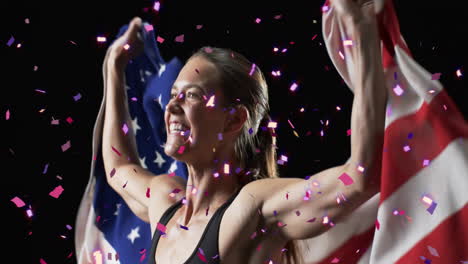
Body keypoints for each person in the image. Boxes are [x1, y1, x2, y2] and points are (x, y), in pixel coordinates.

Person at [100, 0, 387, 263]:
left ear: (234, 120)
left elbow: (360, 177)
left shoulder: (251, 208)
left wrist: (362, 33)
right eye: (174, 94)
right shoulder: (165, 200)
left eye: (192, 95)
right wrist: (113, 68)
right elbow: (118, 169)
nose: (172, 106)